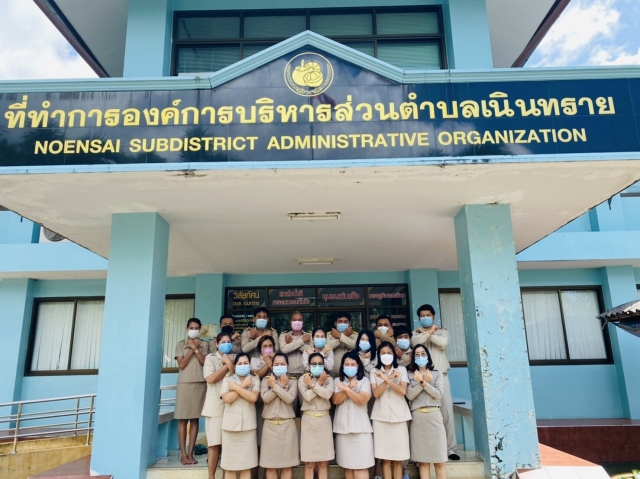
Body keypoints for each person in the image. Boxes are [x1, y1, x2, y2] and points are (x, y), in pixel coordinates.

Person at [410, 304, 458, 460]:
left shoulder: (443, 332)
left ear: (433, 316)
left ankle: (450, 449)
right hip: (421, 378)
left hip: (441, 377)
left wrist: (428, 334)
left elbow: (443, 343)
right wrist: (429, 332)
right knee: (424, 414)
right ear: (419, 318)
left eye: (428, 315)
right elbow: (414, 342)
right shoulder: (415, 333)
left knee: (446, 413)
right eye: (422, 316)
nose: (425, 318)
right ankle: (426, 450)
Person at [370, 342, 411, 479]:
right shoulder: (374, 371)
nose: (386, 355)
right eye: (383, 353)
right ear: (379, 355)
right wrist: (387, 379)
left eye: (389, 353)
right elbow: (376, 394)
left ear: (394, 355)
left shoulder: (401, 370)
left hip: (399, 418)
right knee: (385, 458)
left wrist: (387, 380)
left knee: (398, 458)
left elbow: (402, 391)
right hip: (380, 418)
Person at [407, 344, 448, 479]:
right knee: (423, 460)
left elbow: (438, 394)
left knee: (439, 459)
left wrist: (424, 383)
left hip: (434, 415)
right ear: (413, 358)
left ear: (428, 356)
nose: (420, 356)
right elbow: (409, 395)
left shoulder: (437, 373)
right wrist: (421, 383)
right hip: (418, 418)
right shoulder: (410, 375)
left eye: (423, 353)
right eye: (417, 354)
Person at [332, 351, 374, 479]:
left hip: (361, 431)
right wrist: (348, 388)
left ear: (358, 366)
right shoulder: (337, 381)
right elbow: (336, 400)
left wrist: (346, 389)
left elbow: (362, 400)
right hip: (343, 431)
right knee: (348, 468)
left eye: (353, 364)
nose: (349, 367)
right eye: (347, 364)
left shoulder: (364, 381)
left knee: (361, 467)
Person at [174, 317, 210, 465]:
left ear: (200, 329)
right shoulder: (180, 344)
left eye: (196, 328)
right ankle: (183, 454)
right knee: (183, 419)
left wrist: (195, 348)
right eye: (191, 328)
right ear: (186, 329)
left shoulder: (204, 344)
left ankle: (191, 453)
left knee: (195, 419)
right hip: (185, 384)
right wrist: (190, 348)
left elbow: (204, 362)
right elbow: (182, 364)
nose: (194, 331)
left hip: (199, 383)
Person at [220, 353, 261, 479]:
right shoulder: (227, 379)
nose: (243, 366)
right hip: (230, 429)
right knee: (230, 467)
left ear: (250, 365)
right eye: (240, 363)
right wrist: (243, 386)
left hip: (248, 429)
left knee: (246, 467)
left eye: (245, 363)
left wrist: (236, 388)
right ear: (234, 366)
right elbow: (227, 399)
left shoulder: (255, 379)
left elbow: (253, 397)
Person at [260, 352, 300, 479]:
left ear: (287, 365)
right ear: (272, 366)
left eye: (282, 364)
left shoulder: (293, 381)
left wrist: (275, 386)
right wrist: (280, 385)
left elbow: (289, 399)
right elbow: (265, 398)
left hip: (287, 427)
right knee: (270, 466)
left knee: (287, 466)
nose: (279, 366)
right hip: (270, 427)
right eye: (276, 364)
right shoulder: (265, 380)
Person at [202, 331, 236, 479]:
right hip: (215, 407)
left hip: (231, 406)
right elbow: (210, 379)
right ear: (216, 344)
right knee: (214, 445)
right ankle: (211, 476)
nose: (226, 344)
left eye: (228, 342)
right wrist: (227, 365)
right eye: (223, 342)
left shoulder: (235, 358)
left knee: (228, 445)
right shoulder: (210, 358)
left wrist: (230, 363)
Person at [298, 353, 335, 479]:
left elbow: (327, 395)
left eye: (320, 364)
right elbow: (307, 397)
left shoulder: (329, 379)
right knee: (309, 463)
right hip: (308, 421)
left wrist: (314, 384)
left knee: (323, 463)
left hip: (324, 421)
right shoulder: (303, 379)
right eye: (314, 364)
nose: (317, 366)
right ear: (309, 365)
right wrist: (319, 383)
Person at [250, 335, 276, 452]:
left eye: (270, 346)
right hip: (260, 398)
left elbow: (280, 374)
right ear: (260, 349)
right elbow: (257, 374)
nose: (268, 348)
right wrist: (268, 363)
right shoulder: (254, 360)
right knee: (260, 427)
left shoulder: (279, 359)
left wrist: (272, 361)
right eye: (265, 346)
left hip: (275, 397)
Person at [279, 311, 312, 375]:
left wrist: (292, 341)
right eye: (294, 320)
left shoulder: (309, 336)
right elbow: (284, 350)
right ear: (290, 322)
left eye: (299, 320)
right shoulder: (284, 335)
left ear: (303, 322)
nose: (297, 322)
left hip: (305, 374)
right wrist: (302, 341)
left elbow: (310, 351)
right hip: (288, 374)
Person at [326, 312, 358, 377]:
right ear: (335, 323)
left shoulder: (355, 335)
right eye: (340, 321)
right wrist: (344, 335)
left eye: (345, 322)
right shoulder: (328, 335)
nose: (343, 323)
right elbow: (327, 347)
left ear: (350, 323)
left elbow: (355, 346)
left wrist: (340, 336)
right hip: (333, 376)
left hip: (351, 376)